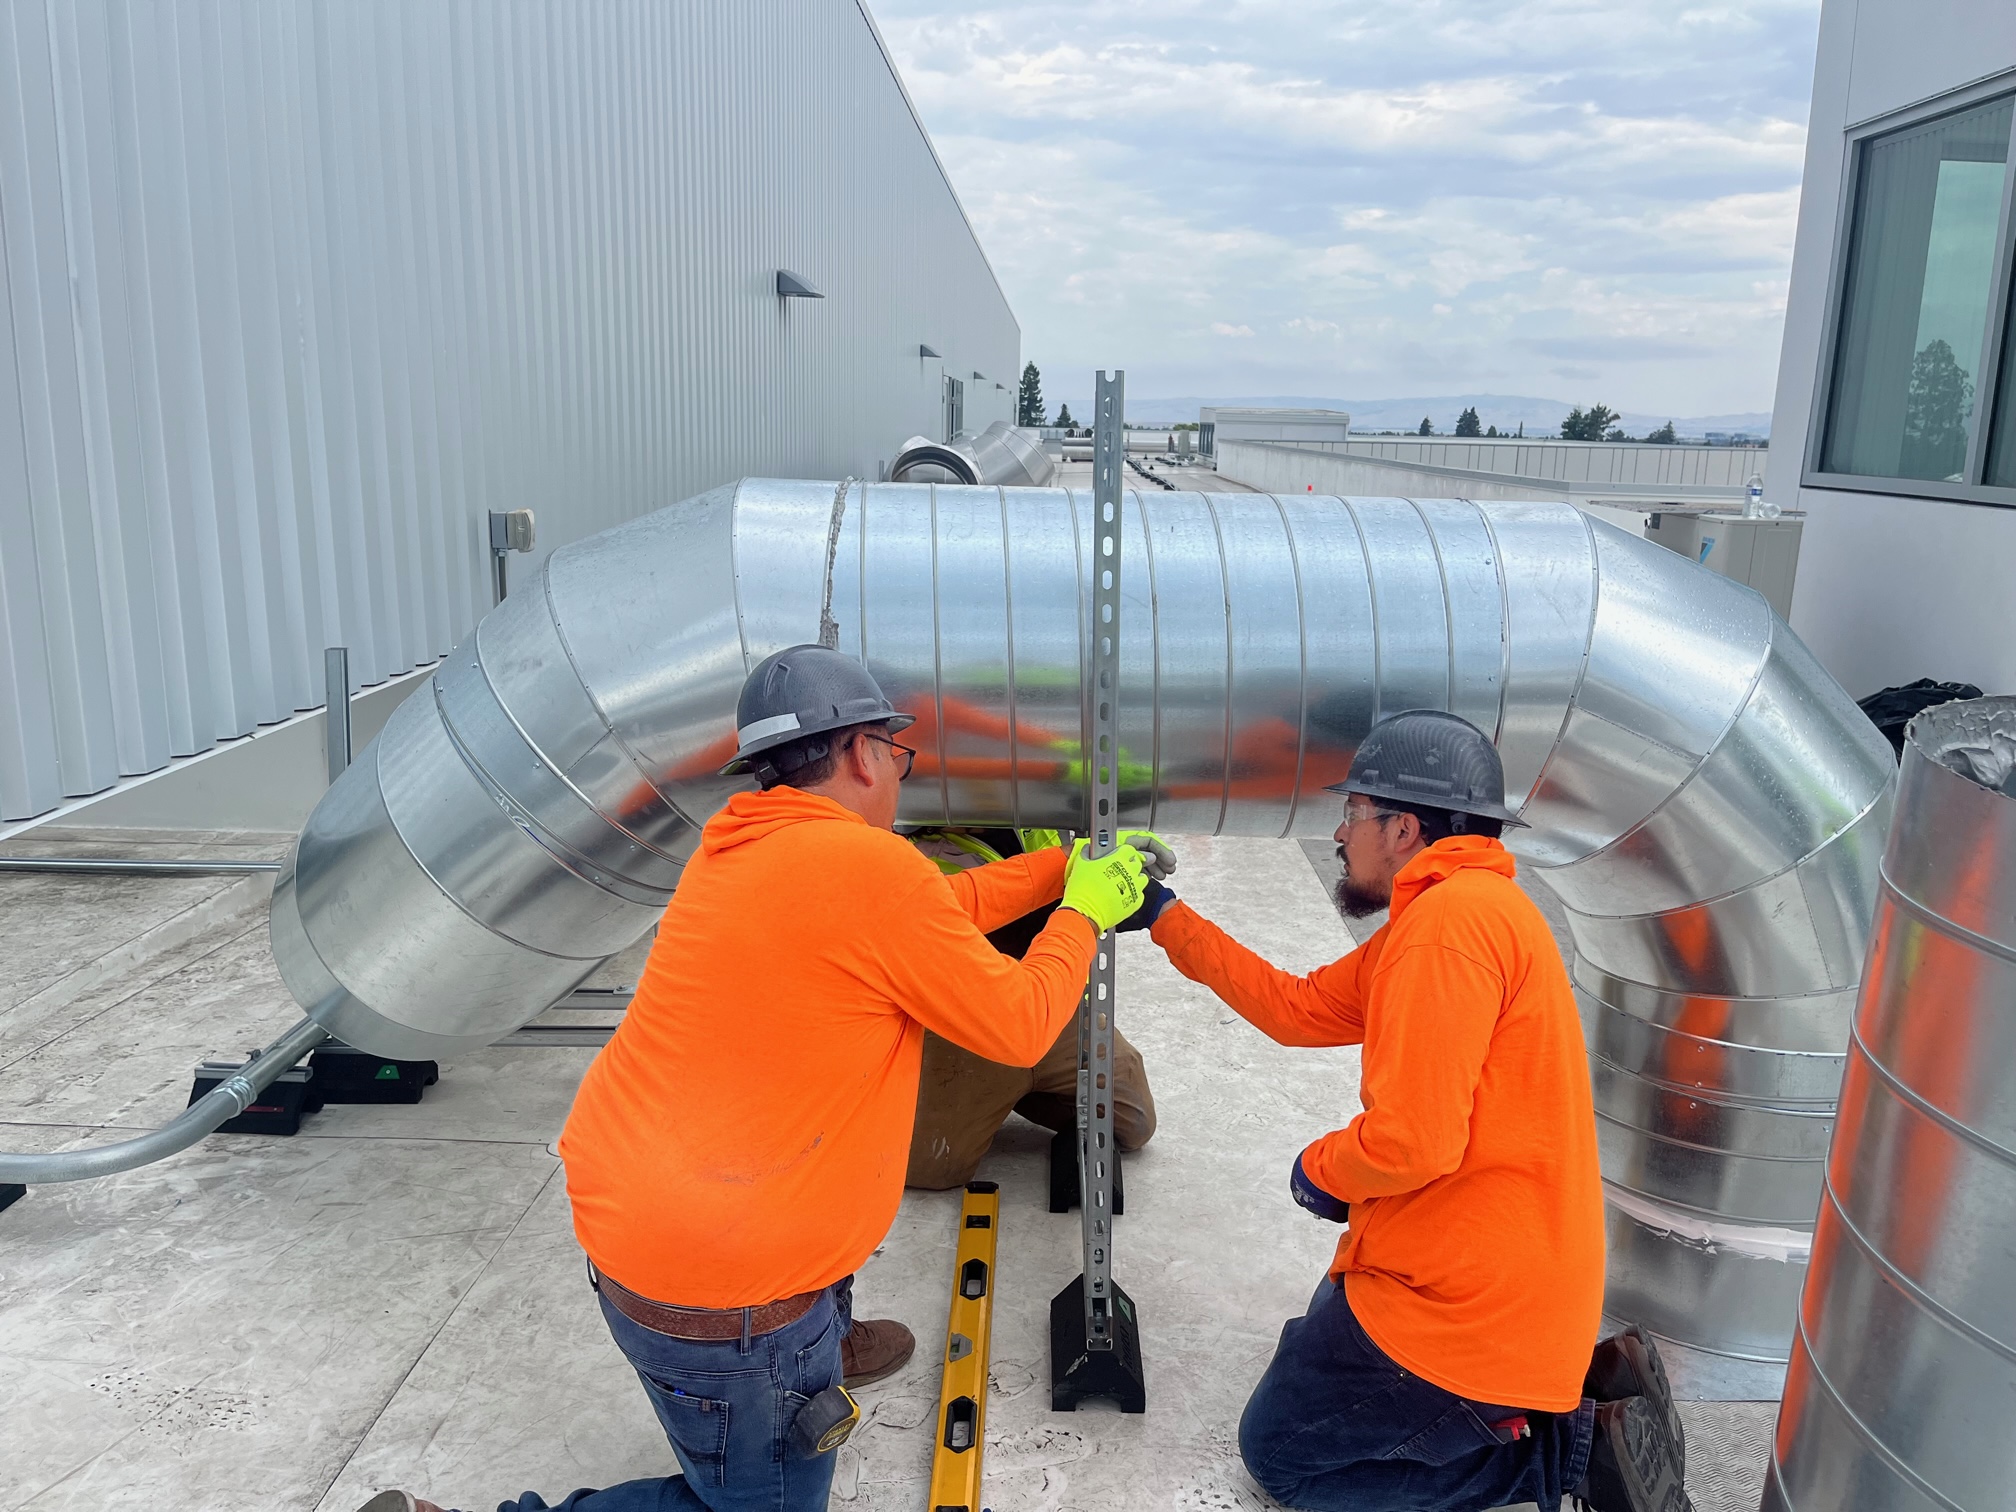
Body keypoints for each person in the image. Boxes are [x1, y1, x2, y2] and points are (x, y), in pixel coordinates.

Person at [359, 645, 1169, 1512]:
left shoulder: (744, 848)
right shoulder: (866, 870)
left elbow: (940, 911)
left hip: (644, 1220)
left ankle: (825, 1338)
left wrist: (1062, 868)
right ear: (863, 753)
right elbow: (1017, 1020)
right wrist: (1085, 911)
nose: (898, 773)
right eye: (898, 756)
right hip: (724, 1294)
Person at [1122, 710, 1691, 1512]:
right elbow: (1295, 1008)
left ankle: (1564, 1454)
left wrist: (1318, 1168)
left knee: (1282, 1455)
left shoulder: (1446, 933)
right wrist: (1162, 915)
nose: (1340, 834)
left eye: (1352, 813)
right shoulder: (1455, 913)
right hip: (1480, 1269)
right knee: (1324, 1327)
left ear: (1403, 828)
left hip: (1473, 1303)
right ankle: (1534, 1400)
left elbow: (1412, 1144)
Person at [903, 827, 1160, 1191]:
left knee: (1131, 1122)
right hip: (970, 1029)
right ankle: (985, 1093)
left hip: (1054, 1007)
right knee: (935, 1168)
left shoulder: (1039, 810)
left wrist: (1109, 863)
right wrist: (1081, 906)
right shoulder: (916, 857)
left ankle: (1019, 1090)